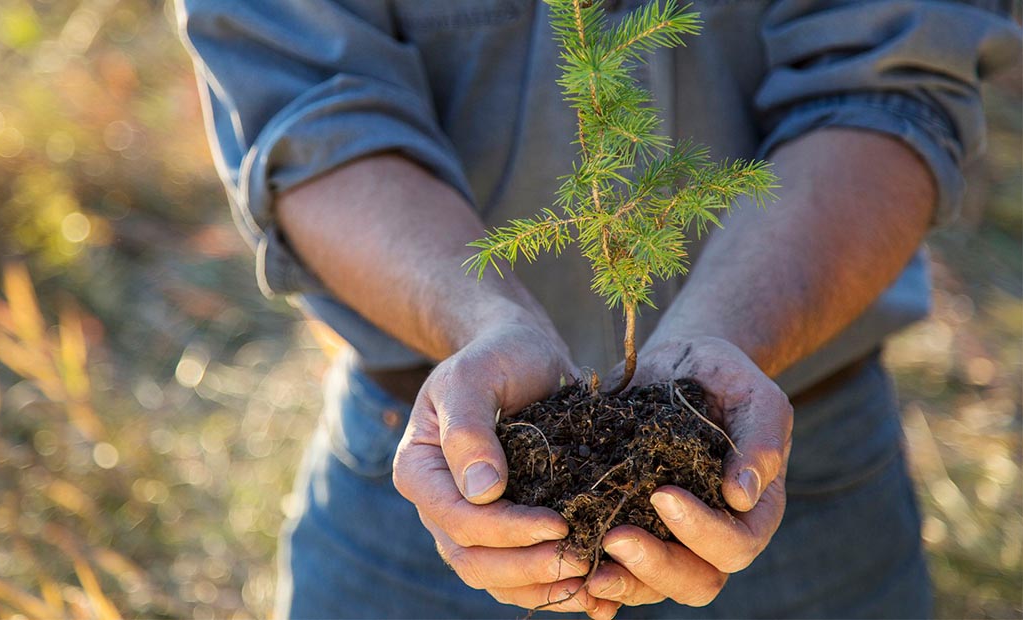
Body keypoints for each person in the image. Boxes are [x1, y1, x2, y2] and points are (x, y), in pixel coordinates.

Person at [176, 1, 1021, 617]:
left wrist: (720, 338)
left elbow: (891, 82)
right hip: (435, 459)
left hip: (782, 457)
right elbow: (305, 105)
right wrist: (483, 323)